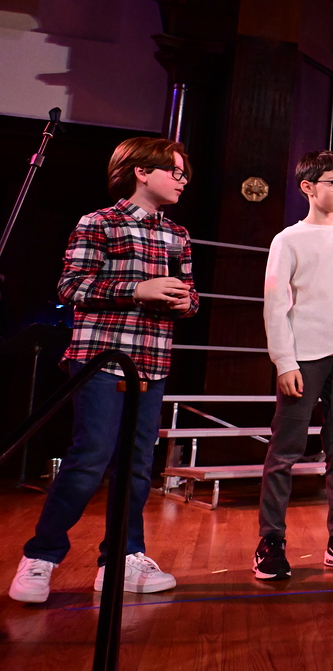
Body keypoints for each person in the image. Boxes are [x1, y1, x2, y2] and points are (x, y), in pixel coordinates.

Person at [9, 138, 198, 604]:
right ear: (140, 171)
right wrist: (139, 289)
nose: (182, 180)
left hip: (152, 362)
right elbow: (72, 286)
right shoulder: (99, 223)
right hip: (100, 358)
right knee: (89, 458)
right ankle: (41, 557)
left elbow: (191, 296)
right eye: (173, 171)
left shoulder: (178, 234)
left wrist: (182, 300)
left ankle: (123, 557)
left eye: (184, 174)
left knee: (136, 467)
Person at [252, 151, 333, 581]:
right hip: (304, 357)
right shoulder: (288, 239)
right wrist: (284, 360)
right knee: (284, 452)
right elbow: (276, 306)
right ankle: (270, 540)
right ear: (308, 187)